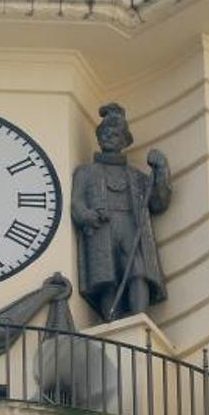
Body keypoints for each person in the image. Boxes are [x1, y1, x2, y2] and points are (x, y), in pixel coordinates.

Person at [71, 103, 172, 320]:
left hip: (130, 227)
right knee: (107, 276)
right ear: (98, 138)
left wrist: (161, 170)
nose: (109, 137)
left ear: (125, 141)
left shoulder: (135, 176)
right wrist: (90, 216)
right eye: (105, 133)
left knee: (138, 271)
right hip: (102, 229)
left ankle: (139, 318)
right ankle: (112, 321)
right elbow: (76, 205)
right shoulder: (86, 172)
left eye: (115, 134)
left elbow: (157, 202)